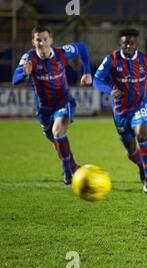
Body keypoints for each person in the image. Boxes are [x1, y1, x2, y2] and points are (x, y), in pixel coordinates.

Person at [93, 28, 147, 193]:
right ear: (120, 44)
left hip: (140, 107)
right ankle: (140, 165)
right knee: (131, 151)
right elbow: (96, 80)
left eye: (132, 43)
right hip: (121, 112)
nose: (129, 46)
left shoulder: (146, 59)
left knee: (142, 136)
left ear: (137, 44)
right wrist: (110, 90)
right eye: (125, 43)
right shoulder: (112, 59)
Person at [12, 25, 92, 184]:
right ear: (33, 42)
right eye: (38, 40)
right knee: (56, 140)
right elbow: (15, 80)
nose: (42, 43)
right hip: (44, 109)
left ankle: (66, 171)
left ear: (51, 40)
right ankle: (73, 167)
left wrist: (87, 72)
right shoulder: (29, 58)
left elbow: (82, 48)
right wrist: (24, 73)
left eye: (45, 39)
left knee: (58, 131)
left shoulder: (62, 53)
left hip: (64, 101)